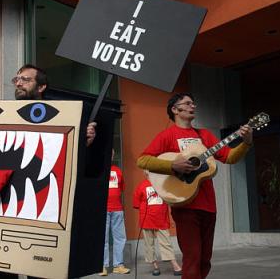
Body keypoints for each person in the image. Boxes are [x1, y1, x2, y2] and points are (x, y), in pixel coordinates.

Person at [0, 64, 97, 279]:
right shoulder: (2, 115)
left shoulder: (61, 116)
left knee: (39, 271)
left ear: (41, 87)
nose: (19, 83)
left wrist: (82, 141)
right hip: (5, 207)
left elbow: (64, 161)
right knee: (3, 270)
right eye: (16, 79)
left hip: (39, 206)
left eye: (25, 79)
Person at [136, 93, 253, 279]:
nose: (193, 106)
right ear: (175, 109)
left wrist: (246, 142)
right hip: (184, 205)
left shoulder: (204, 135)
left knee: (205, 259)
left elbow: (229, 157)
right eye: (188, 103)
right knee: (192, 258)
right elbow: (142, 160)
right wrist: (172, 165)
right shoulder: (167, 135)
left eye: (193, 103)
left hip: (209, 206)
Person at [133, 172, 182, 276]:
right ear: (145, 173)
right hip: (147, 220)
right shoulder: (141, 186)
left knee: (166, 242)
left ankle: (175, 265)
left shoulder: (163, 185)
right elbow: (136, 204)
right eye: (148, 172)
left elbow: (169, 200)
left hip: (161, 220)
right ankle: (154, 266)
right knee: (149, 244)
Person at [99, 149, 130, 276]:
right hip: (103, 210)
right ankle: (103, 266)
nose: (109, 156)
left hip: (117, 209)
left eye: (111, 154)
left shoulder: (118, 171)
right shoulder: (98, 170)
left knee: (120, 238)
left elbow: (121, 188)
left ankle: (119, 265)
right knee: (103, 239)